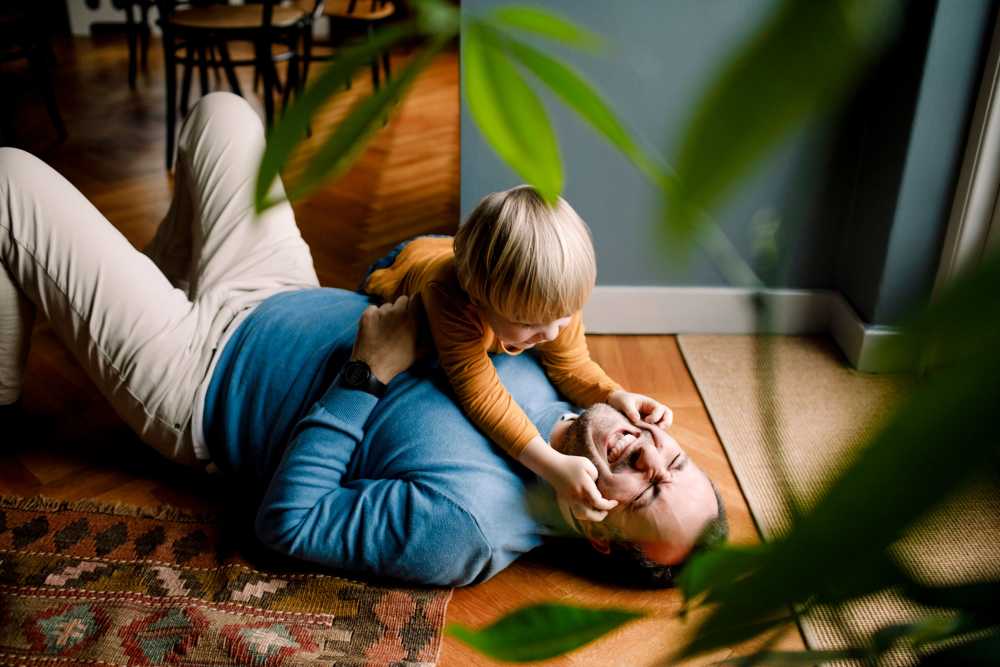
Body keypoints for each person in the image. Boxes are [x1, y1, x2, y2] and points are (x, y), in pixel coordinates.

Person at [0, 92, 725, 586]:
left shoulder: (466, 526)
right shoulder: (558, 368)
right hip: (281, 288)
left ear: (599, 529)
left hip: (198, 377)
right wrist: (607, 389)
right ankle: (147, 283)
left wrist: (365, 374)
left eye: (647, 489)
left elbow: (285, 525)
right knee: (223, 113)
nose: (651, 453)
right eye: (677, 460)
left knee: (9, 182)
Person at [362, 189, 672, 522]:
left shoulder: (553, 300)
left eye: (565, 316)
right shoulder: (449, 298)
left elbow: (571, 365)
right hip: (408, 262)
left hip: (457, 251)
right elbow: (480, 394)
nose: (551, 333)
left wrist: (613, 394)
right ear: (476, 302)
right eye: (528, 324)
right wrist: (551, 465)